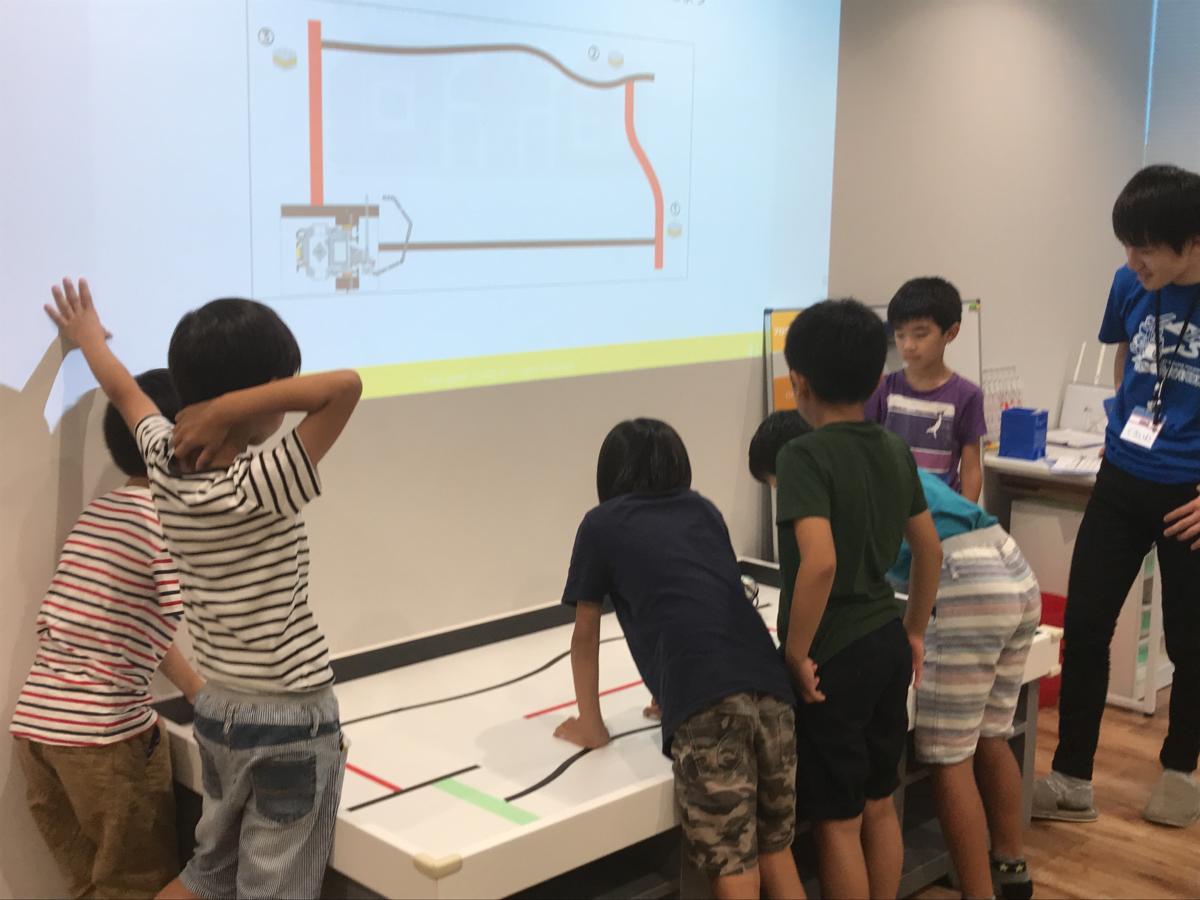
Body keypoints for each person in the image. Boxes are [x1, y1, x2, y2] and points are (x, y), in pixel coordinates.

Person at [44, 278, 362, 899]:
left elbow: (124, 389)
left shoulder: (161, 462)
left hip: (219, 714)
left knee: (209, 873)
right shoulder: (264, 483)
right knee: (275, 888)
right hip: (291, 717)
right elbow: (345, 387)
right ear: (257, 393)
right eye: (280, 385)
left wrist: (88, 339)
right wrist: (229, 408)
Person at [557, 418, 804, 900]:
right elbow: (707, 598)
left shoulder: (601, 524)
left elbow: (586, 631)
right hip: (772, 686)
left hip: (708, 702)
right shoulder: (703, 510)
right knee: (776, 849)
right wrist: (668, 692)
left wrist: (592, 722)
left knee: (733, 864)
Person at [1034, 164, 1200, 829]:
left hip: (1190, 497)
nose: (1134, 261)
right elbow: (1126, 356)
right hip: (1122, 476)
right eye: (1127, 245)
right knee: (1086, 625)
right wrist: (1122, 421)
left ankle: (1180, 770)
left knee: (1189, 642)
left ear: (1193, 242)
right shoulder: (1129, 284)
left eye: (1147, 248)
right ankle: (1072, 777)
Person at [10, 369, 205, 899]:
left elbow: (127, 623)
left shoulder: (101, 513)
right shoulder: (166, 525)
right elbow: (206, 611)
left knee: (89, 885)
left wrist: (195, 688)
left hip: (38, 729)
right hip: (103, 740)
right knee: (138, 883)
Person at [775, 299, 942, 899]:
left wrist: (796, 653)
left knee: (837, 822)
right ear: (877, 379)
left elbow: (819, 563)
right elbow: (929, 550)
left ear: (799, 381)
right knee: (879, 803)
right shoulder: (893, 448)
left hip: (834, 657)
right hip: (887, 641)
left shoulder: (802, 455)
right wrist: (914, 630)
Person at [865, 277, 987, 501]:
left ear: (951, 333)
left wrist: (965, 515)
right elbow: (865, 455)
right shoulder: (881, 388)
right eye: (900, 334)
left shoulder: (967, 395)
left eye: (920, 335)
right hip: (890, 509)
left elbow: (971, 469)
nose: (908, 345)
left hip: (941, 510)